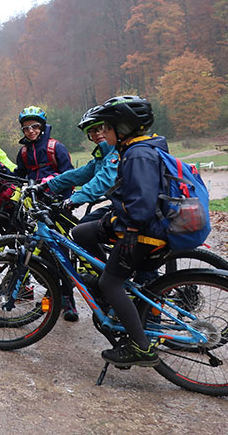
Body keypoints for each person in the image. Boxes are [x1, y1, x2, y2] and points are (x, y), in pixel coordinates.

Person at [69, 95, 165, 367]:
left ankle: (141, 348)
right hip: (137, 224)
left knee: (109, 282)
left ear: (122, 128)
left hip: (143, 231)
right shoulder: (134, 149)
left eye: (106, 127)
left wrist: (120, 226)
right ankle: (106, 281)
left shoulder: (138, 155)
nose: (102, 133)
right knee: (82, 233)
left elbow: (142, 207)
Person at [40, 106, 120, 322]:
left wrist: (74, 199)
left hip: (128, 210)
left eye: (99, 129)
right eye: (91, 132)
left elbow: (104, 180)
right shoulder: (104, 152)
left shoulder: (117, 151)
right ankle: (104, 275)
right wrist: (48, 186)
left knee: (83, 231)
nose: (95, 135)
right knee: (83, 228)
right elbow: (81, 174)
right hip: (120, 206)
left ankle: (106, 280)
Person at [14, 106, 73, 197]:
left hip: (57, 198)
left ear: (42, 127)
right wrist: (0, 168)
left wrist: (53, 178)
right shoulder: (23, 152)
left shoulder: (56, 147)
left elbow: (69, 174)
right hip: (34, 198)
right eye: (26, 128)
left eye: (35, 126)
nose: (31, 131)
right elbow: (18, 177)